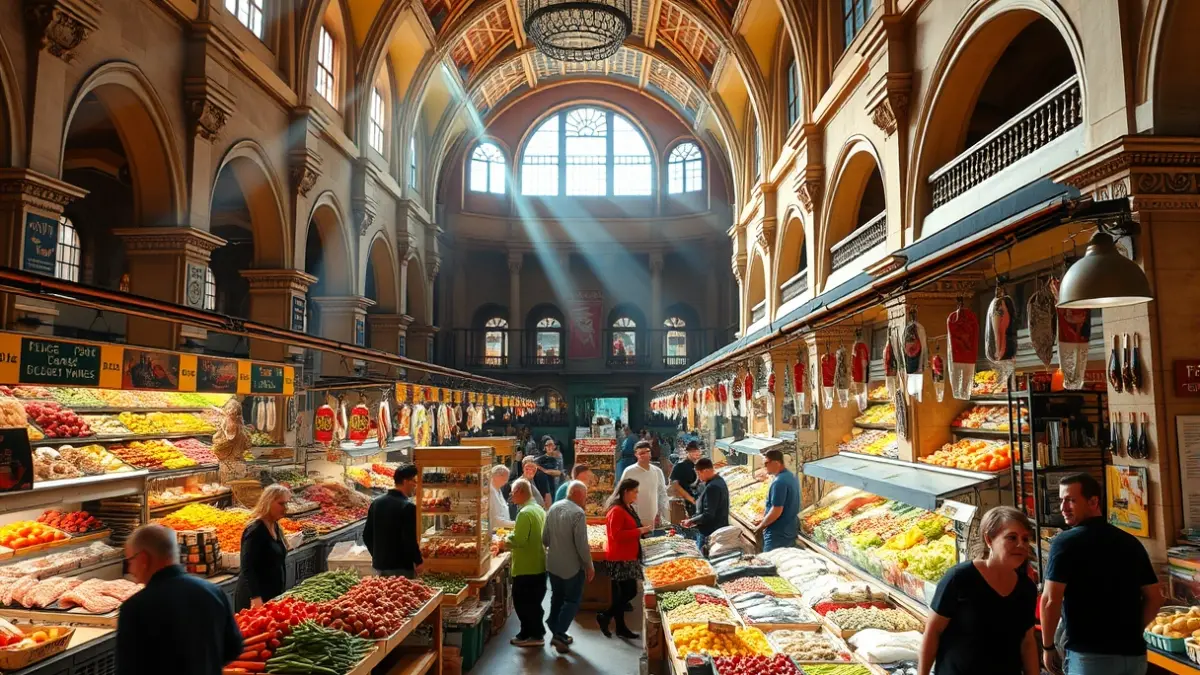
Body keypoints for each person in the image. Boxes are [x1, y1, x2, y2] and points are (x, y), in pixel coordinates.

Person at [1041, 473, 1160, 675]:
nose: (1063, 508)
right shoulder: (1130, 542)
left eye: (1070, 500)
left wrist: (1048, 647)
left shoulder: (1065, 542)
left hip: (1089, 657)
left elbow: (1050, 600)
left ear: (1094, 501)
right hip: (1134, 657)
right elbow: (1155, 597)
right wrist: (1133, 633)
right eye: (1061, 500)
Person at [918, 506, 1039, 675]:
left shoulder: (1026, 588)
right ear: (989, 540)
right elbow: (932, 632)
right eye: (1012, 537)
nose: (1021, 544)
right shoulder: (959, 578)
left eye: (1025, 539)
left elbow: (1027, 642)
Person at [117, 524, 243, 675]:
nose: (130, 569)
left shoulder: (135, 609)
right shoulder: (213, 592)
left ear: (144, 559)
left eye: (130, 561)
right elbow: (233, 648)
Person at [543, 480, 595, 653]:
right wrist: (589, 565)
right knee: (572, 600)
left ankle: (553, 622)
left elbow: (545, 538)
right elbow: (582, 545)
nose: (586, 499)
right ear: (578, 494)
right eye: (585, 496)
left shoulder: (553, 508)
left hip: (553, 564)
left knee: (557, 595)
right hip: (572, 566)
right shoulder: (578, 513)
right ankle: (559, 632)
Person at [599, 478, 652, 640]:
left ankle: (620, 627)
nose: (637, 494)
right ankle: (606, 616)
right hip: (620, 558)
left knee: (621, 594)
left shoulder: (628, 507)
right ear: (625, 491)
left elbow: (632, 526)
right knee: (629, 591)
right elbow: (616, 535)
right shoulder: (616, 510)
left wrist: (643, 530)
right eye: (634, 491)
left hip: (629, 555)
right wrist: (639, 530)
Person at [506, 478, 548, 647]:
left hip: (525, 566)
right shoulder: (538, 509)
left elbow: (519, 540)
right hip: (538, 563)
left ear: (521, 492)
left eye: (513, 493)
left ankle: (530, 635)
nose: (511, 497)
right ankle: (538, 632)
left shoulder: (524, 513)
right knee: (535, 603)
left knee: (523, 603)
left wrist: (504, 541)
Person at [363, 463, 424, 577]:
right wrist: (418, 561)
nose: (415, 485)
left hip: (379, 567)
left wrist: (377, 557)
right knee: (400, 593)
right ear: (405, 481)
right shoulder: (407, 507)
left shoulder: (376, 503)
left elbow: (366, 535)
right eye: (414, 481)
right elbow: (409, 539)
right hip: (401, 567)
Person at [237, 484, 291, 609]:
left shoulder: (276, 526)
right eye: (281, 504)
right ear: (268, 503)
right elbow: (247, 567)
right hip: (255, 598)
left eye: (286, 504)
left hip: (271, 593)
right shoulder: (255, 531)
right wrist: (255, 597)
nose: (285, 508)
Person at [757, 449, 800, 551]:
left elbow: (776, 510)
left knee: (770, 562)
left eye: (767, 463)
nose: (765, 467)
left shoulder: (779, 482)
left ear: (776, 463)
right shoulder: (790, 476)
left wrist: (761, 526)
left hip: (777, 534)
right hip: (789, 530)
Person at [620, 441, 669, 528]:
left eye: (647, 452)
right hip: (634, 514)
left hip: (652, 515)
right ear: (636, 454)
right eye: (642, 453)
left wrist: (661, 513)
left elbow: (662, 493)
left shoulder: (657, 471)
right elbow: (622, 493)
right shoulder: (629, 471)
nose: (645, 455)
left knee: (651, 540)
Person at [682, 458, 728, 550]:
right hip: (717, 529)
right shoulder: (719, 480)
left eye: (699, 473)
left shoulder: (713, 487)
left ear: (706, 471)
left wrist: (691, 521)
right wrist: (693, 519)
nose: (698, 477)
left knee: (703, 559)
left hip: (710, 532)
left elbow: (708, 514)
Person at [669, 441, 702, 511]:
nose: (697, 453)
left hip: (694, 502)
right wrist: (689, 498)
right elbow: (674, 484)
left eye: (698, 451)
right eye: (693, 451)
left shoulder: (695, 466)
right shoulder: (680, 466)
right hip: (684, 504)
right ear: (688, 452)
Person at [489, 465, 515, 529]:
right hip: (494, 530)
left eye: (507, 478)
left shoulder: (498, 489)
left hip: (503, 529)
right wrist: (516, 524)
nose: (506, 481)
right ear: (496, 476)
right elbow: (495, 519)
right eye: (504, 478)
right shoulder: (490, 492)